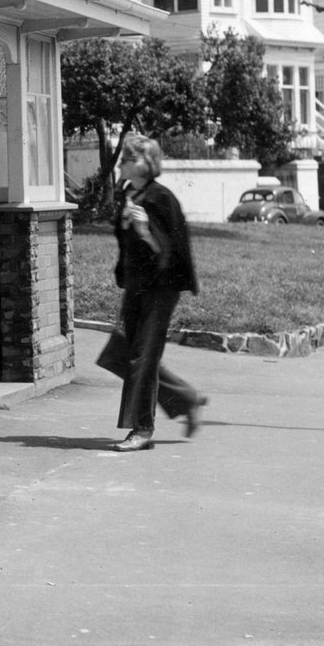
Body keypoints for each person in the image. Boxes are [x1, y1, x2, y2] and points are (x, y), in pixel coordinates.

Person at [97, 133, 207, 452]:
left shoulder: (162, 199)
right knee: (121, 354)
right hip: (136, 284)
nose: (120, 164)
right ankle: (187, 399)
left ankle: (142, 429)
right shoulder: (130, 194)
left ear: (142, 164)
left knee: (141, 356)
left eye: (126, 159)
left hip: (161, 288)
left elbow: (171, 251)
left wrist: (145, 231)